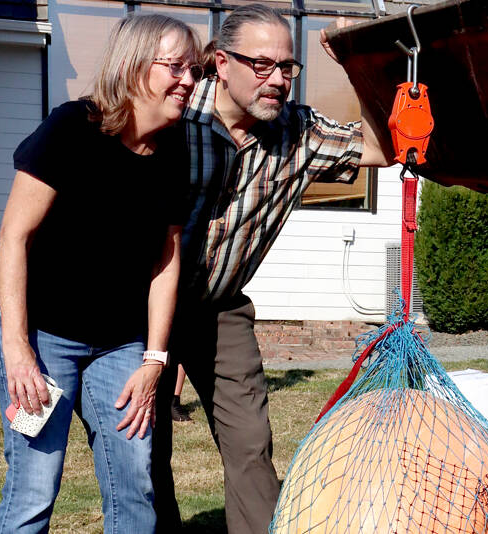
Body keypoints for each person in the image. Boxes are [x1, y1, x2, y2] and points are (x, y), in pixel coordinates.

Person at [150, 5, 392, 533]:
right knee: (145, 448)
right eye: (262, 65)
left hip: (219, 308)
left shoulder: (298, 133)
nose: (278, 79)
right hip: (144, 306)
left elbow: (379, 147)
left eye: (287, 67)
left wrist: (360, 65)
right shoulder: (171, 117)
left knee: (251, 444)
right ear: (220, 63)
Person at [0, 15, 201, 533]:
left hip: (120, 342)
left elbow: (166, 260)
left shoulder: (176, 145)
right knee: (36, 480)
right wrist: (18, 349)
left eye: (194, 70)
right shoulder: (71, 128)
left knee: (134, 481)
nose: (188, 81)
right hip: (38, 328)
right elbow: (15, 237)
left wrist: (155, 360)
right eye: (176, 67)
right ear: (133, 64)